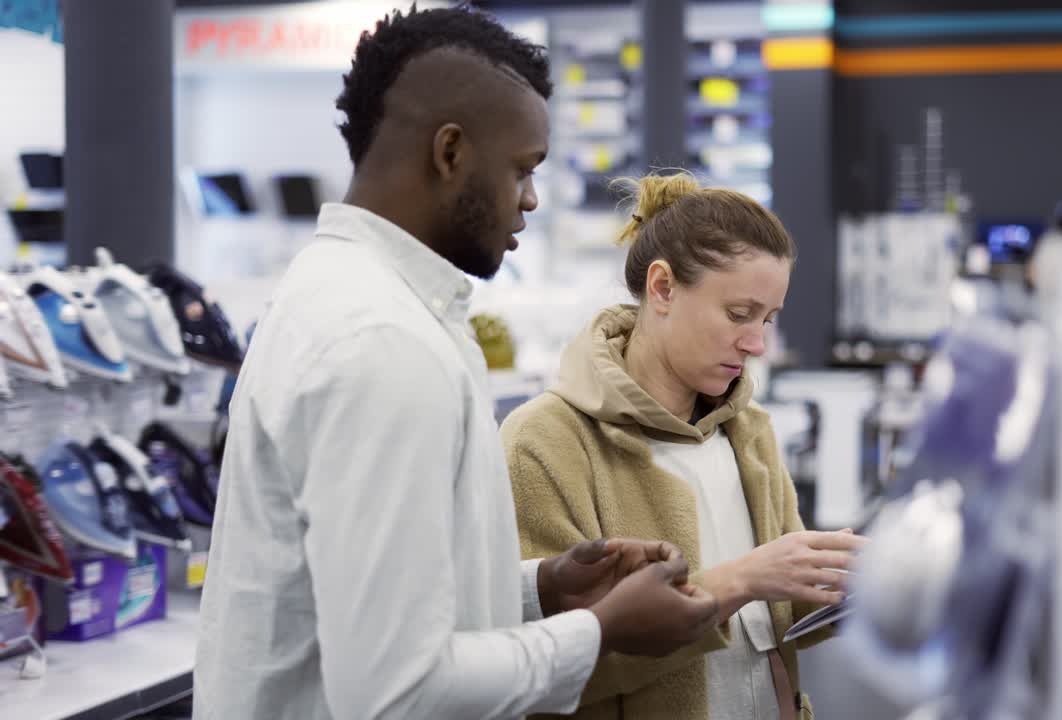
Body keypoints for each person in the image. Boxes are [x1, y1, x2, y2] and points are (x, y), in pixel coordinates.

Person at [194, 8, 718, 720]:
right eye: (522, 169)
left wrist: (542, 589)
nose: (530, 199)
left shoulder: (351, 299)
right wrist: (601, 631)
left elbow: (371, 600)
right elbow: (395, 689)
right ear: (450, 152)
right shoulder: (381, 343)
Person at [502, 171, 866, 720]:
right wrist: (739, 580)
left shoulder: (750, 431)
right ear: (663, 288)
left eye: (768, 319)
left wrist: (851, 586)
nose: (757, 343)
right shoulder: (544, 442)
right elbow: (540, 664)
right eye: (739, 314)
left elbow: (776, 617)